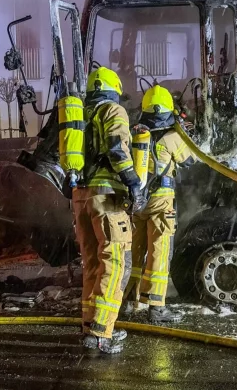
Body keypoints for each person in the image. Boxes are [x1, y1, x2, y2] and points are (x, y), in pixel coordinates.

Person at [66, 67, 146, 354]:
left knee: (91, 263)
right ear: (114, 88)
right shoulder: (113, 110)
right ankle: (102, 333)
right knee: (114, 262)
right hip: (106, 197)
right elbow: (117, 149)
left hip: (80, 196)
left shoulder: (80, 116)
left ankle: (90, 326)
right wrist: (134, 183)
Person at [122, 85, 196, 322]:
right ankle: (156, 307)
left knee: (135, 253)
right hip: (161, 202)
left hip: (138, 201)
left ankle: (125, 301)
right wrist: (186, 132)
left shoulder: (137, 134)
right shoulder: (173, 137)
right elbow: (190, 160)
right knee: (159, 252)